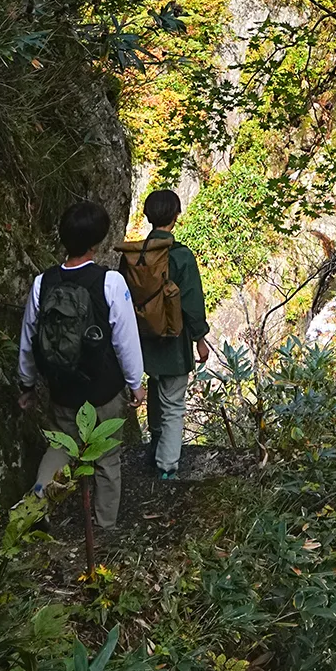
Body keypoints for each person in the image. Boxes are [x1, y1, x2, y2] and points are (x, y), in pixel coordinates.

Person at [17, 195, 144, 536]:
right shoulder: (110, 282)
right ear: (97, 240)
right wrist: (136, 383)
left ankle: (34, 507)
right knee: (106, 458)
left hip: (62, 388)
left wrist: (27, 385)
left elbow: (29, 336)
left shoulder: (43, 282)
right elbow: (125, 339)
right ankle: (103, 530)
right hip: (103, 390)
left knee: (59, 447)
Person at [119, 187, 211, 484]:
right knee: (173, 403)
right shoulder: (181, 256)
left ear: (147, 216)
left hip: (142, 339)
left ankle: (155, 450)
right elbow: (192, 302)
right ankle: (167, 466)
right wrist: (200, 338)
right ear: (175, 216)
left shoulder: (132, 256)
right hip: (173, 339)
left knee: (157, 394)